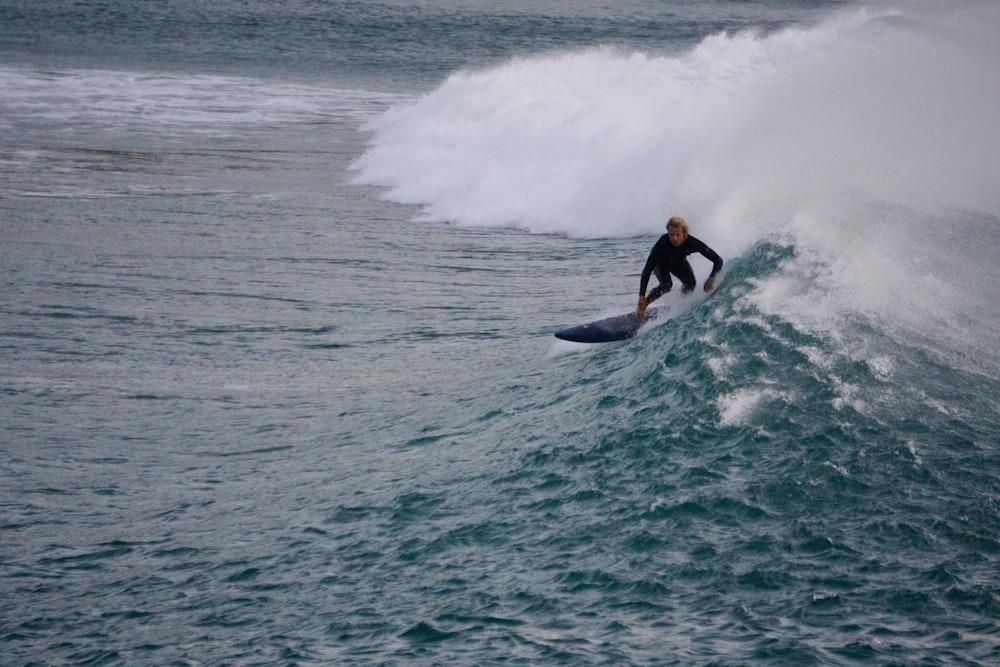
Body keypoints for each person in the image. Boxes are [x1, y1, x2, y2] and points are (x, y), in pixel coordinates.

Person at [636, 216, 723, 321]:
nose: (674, 238)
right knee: (667, 285)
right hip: (661, 264)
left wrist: (711, 277)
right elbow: (647, 270)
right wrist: (642, 295)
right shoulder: (662, 243)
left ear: (684, 233)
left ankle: (680, 305)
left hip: (678, 263)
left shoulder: (691, 242)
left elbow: (718, 260)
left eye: (678, 235)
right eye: (671, 235)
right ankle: (644, 306)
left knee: (691, 283)